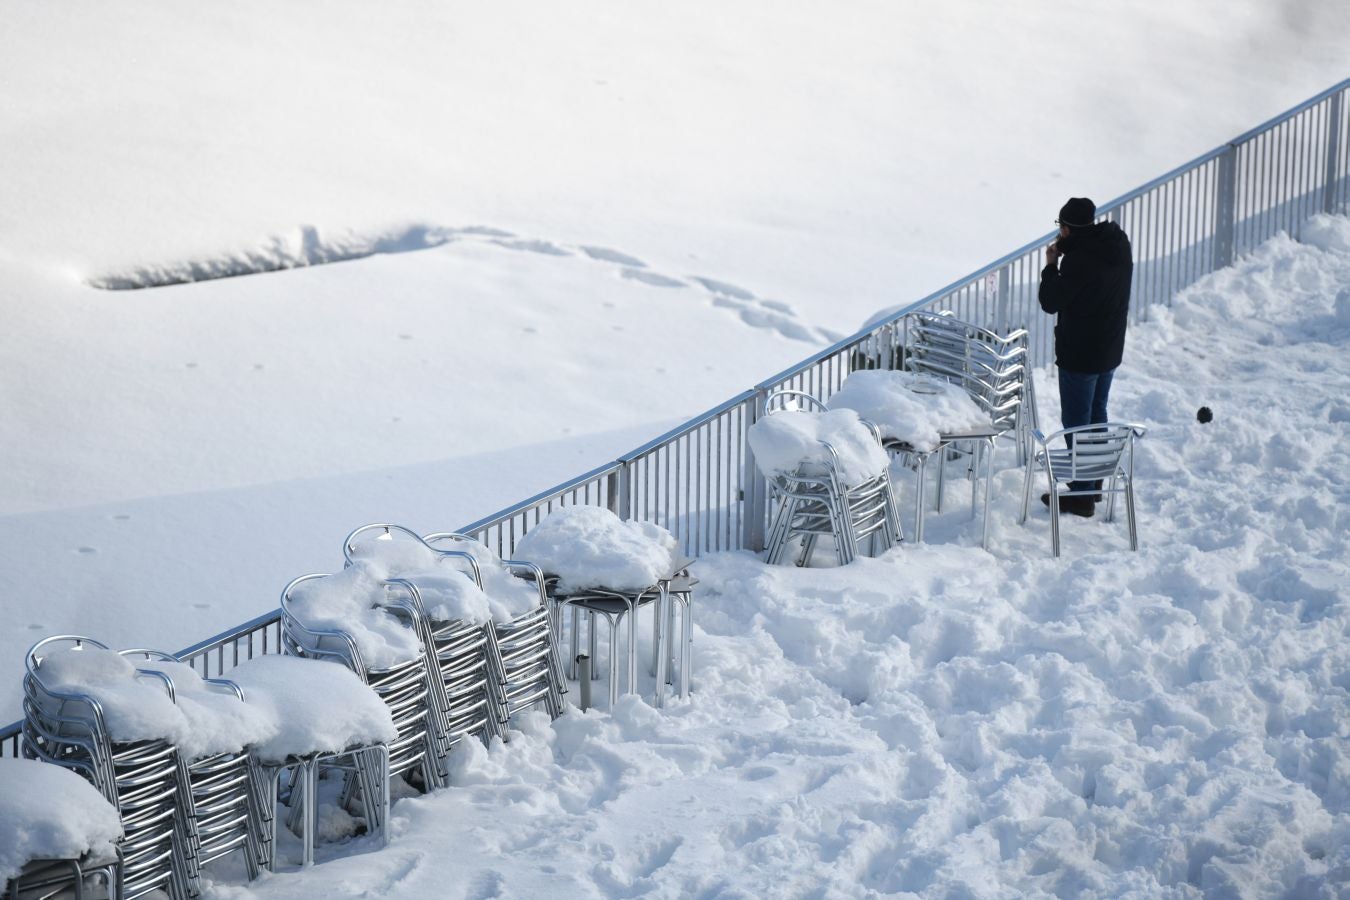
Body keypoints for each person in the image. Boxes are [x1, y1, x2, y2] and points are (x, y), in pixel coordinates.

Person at [1037, 197, 1133, 518]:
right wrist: (1072, 249)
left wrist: (1052, 265)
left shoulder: (1078, 262)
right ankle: (1092, 488)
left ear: (1066, 229)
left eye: (1060, 227)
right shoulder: (1117, 245)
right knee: (1096, 417)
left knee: (1076, 424)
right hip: (1108, 349)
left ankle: (1081, 496)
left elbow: (1051, 300)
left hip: (1080, 354)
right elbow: (1093, 279)